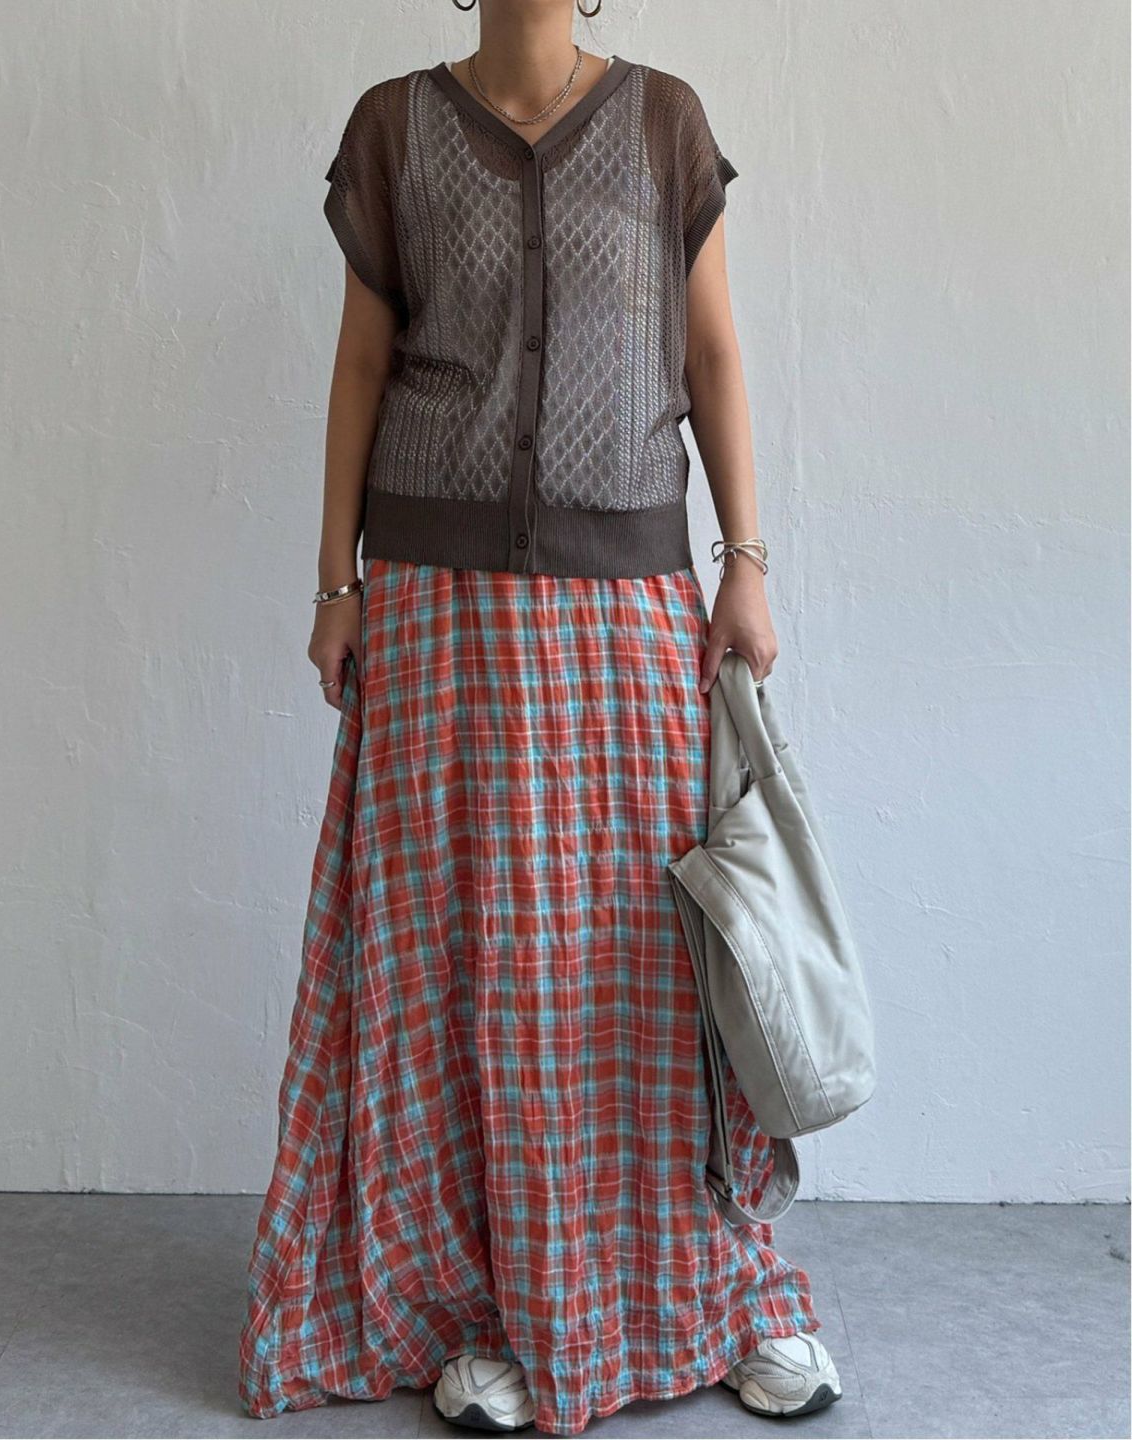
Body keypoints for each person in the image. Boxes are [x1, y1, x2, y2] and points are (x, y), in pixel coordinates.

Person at [238, 1, 842, 1433]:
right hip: (434, 604)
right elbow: (361, 367)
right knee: (459, 962)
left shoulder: (663, 121)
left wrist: (746, 563)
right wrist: (336, 586)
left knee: (643, 958)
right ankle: (482, 1305)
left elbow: (712, 357)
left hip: (626, 598)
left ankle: (702, 1288)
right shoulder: (395, 126)